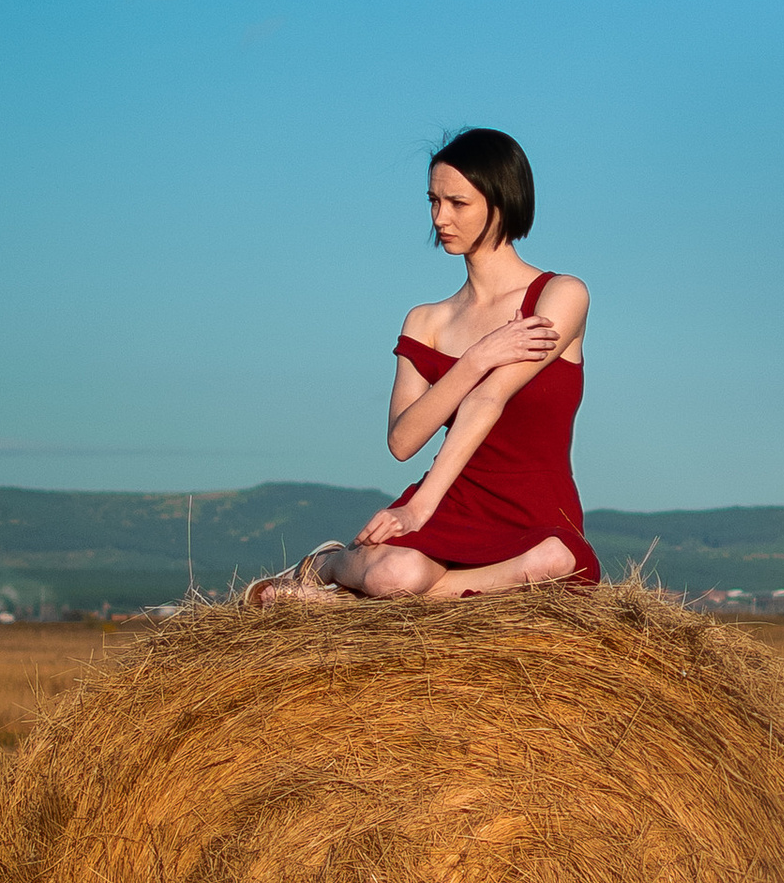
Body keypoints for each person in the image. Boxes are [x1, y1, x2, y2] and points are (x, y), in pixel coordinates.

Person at [251, 129, 599, 601]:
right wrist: (476, 357)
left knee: (556, 562)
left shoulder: (562, 295)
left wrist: (417, 509)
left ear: (502, 200)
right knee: (395, 576)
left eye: (458, 203)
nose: (440, 217)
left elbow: (489, 397)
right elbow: (402, 440)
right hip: (453, 497)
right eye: (433, 201)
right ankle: (328, 563)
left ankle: (347, 608)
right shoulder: (427, 320)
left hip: (535, 505)